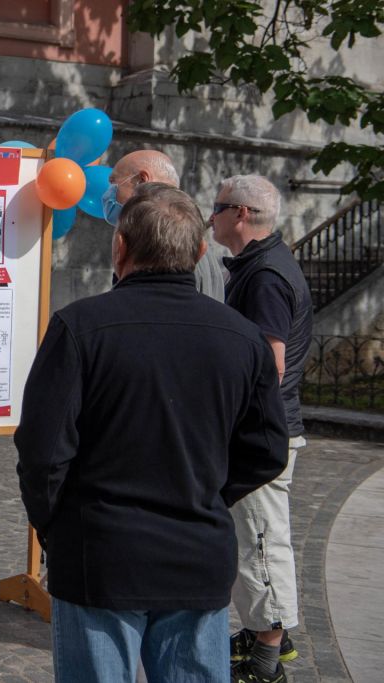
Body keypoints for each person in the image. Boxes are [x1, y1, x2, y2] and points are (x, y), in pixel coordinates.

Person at [16, 183, 289, 683]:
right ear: (202, 251)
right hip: (192, 548)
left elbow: (41, 452)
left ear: (119, 247)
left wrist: (58, 526)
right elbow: (269, 450)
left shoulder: (80, 327)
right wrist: (206, 490)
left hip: (102, 549)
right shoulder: (243, 339)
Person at [211, 175, 313, 683]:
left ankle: (267, 658)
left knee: (261, 541)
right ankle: (261, 633)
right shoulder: (259, 265)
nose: (211, 216)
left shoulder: (266, 275)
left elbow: (268, 364)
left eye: (217, 207)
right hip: (264, 429)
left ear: (241, 215)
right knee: (254, 536)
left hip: (262, 434)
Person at [103, 149, 225, 301]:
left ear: (142, 180)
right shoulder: (188, 238)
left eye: (113, 182)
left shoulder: (173, 243)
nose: (107, 193)